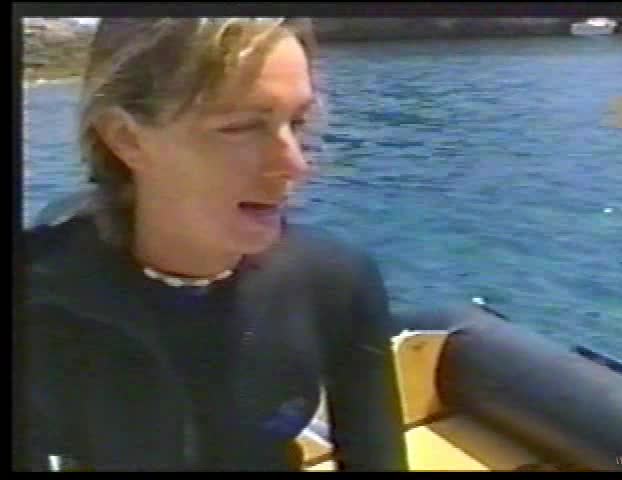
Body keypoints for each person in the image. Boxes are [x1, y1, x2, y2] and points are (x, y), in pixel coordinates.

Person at [16, 17, 408, 471]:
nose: (295, 165)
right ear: (125, 139)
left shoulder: (335, 283)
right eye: (242, 127)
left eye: (297, 123)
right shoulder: (38, 298)